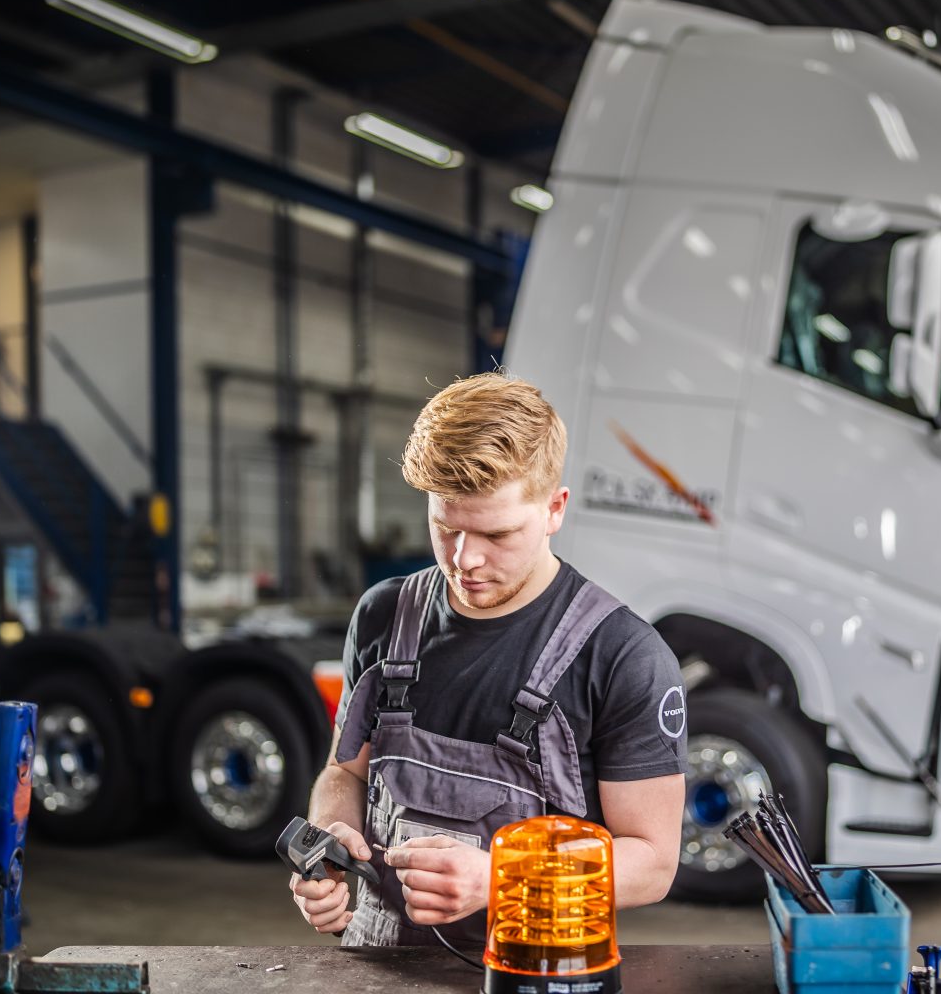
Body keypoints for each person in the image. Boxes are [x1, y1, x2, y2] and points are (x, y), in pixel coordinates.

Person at [289, 372, 687, 947]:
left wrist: (503, 880)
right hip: (382, 967)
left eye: (496, 534)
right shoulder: (383, 616)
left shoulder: (624, 656)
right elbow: (344, 771)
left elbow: (652, 863)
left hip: (540, 973)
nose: (465, 559)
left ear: (555, 509)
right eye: (446, 528)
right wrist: (332, 838)